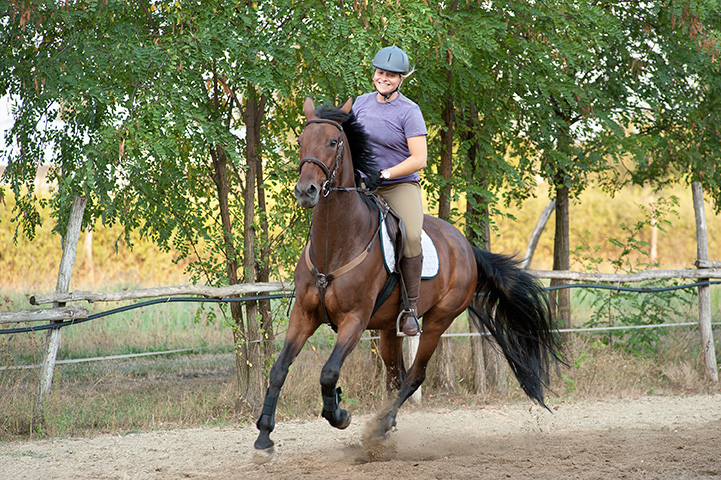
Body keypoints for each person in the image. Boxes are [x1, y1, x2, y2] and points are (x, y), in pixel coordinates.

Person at [352, 45, 428, 336]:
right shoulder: (360, 103)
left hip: (398, 185)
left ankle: (410, 309)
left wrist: (384, 174)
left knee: (409, 236)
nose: (384, 78)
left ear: (401, 79)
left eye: (391, 75)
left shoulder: (409, 111)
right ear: (374, 74)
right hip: (361, 185)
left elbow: (419, 158)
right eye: (380, 73)